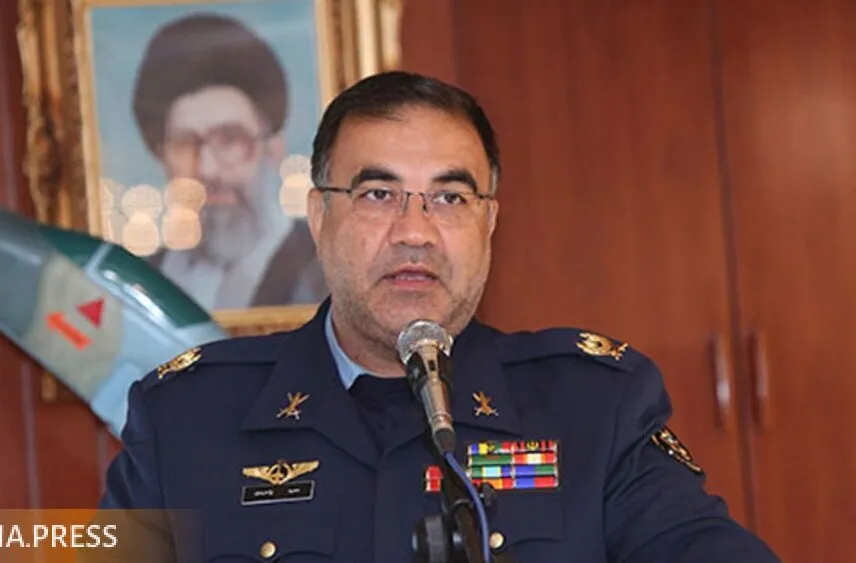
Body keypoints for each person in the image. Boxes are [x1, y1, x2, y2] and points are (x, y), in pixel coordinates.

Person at [95, 71, 780, 562]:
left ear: (489, 223)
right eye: (378, 194)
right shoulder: (186, 420)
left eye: (450, 199)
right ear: (319, 216)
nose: (415, 232)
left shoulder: (592, 408)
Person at [131, 13, 327, 311]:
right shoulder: (144, 282)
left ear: (274, 147)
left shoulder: (323, 270)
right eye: (185, 144)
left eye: (230, 140)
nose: (207, 169)